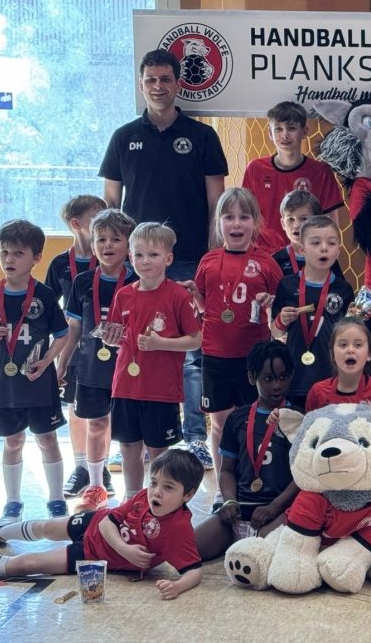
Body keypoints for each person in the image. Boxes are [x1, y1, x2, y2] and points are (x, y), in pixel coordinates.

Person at [100, 48, 229, 470]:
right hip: (137, 262)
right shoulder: (123, 137)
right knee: (132, 343)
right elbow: (111, 202)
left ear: (178, 83)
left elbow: (216, 201)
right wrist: (118, 254)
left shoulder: (202, 137)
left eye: (165, 79)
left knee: (191, 353)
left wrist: (212, 252)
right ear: (142, 85)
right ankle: (133, 436)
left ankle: (193, 437)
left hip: (188, 258)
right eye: (151, 80)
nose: (158, 86)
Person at [0, 450, 204, 600]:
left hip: (91, 556)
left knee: (27, 563)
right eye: (153, 482)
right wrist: (125, 550)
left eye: (168, 487)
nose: (156, 491)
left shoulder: (179, 529)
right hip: (94, 522)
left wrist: (177, 587)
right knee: (45, 527)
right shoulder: (143, 496)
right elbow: (106, 523)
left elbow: (194, 570)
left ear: (188, 495)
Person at [0, 220, 70, 523]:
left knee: (47, 440)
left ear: (36, 257)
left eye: (18, 253)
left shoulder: (45, 295)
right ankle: (13, 501)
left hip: (40, 384)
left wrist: (48, 360)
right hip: (6, 387)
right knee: (12, 442)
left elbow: (63, 334)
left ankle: (56, 498)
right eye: (4, 252)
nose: (9, 259)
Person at [184, 188, 283, 476]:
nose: (236, 224)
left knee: (254, 421)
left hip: (253, 357)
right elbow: (204, 307)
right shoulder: (208, 261)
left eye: (244, 217)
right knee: (220, 424)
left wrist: (272, 303)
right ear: (218, 223)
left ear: (256, 222)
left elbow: (281, 306)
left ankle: (253, 480)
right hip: (215, 355)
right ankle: (223, 483)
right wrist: (194, 295)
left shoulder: (267, 263)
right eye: (229, 217)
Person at [103, 223, 202, 499]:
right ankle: (132, 499)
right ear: (130, 257)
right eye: (139, 255)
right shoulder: (123, 294)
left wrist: (162, 343)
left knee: (159, 452)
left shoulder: (178, 296)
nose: (145, 261)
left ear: (168, 258)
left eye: (153, 255)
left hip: (161, 390)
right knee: (128, 448)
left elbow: (196, 340)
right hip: (125, 386)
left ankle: (158, 500)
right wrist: (110, 340)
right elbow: (117, 336)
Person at [58, 209, 138, 506]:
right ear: (92, 245)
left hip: (129, 370)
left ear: (129, 245)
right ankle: (95, 485)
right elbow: (74, 328)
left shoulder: (137, 280)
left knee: (129, 435)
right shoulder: (82, 281)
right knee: (96, 426)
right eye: (101, 239)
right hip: (91, 368)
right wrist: (61, 364)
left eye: (116, 239)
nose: (107, 245)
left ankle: (134, 492)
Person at [195, 341, 300, 560]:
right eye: (268, 379)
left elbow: (303, 477)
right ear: (252, 378)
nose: (277, 385)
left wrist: (274, 507)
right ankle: (234, 540)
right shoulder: (237, 418)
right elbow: (227, 471)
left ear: (291, 376)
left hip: (278, 510)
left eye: (283, 377)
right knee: (192, 549)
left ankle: (248, 546)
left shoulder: (298, 419)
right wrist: (229, 501)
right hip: (240, 508)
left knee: (259, 555)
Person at [46, 195, 106, 499]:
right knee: (75, 408)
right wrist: (54, 353)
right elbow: (48, 306)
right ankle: (81, 466)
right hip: (73, 348)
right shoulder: (60, 264)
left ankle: (101, 467)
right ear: (76, 224)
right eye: (96, 217)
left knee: (103, 411)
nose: (102, 223)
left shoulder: (110, 260)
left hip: (104, 349)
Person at [270, 216, 355, 407]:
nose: (324, 248)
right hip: (296, 377)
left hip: (333, 376)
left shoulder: (343, 289)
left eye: (331, 243)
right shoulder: (287, 285)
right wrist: (282, 320)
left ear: (338, 250)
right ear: (302, 249)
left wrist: (355, 322)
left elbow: (349, 334)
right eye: (316, 243)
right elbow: (276, 332)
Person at [242, 101, 344, 252]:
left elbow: (330, 223)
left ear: (304, 132)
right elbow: (245, 214)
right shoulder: (255, 169)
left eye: (291, 128)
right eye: (278, 129)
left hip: (307, 255)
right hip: (263, 255)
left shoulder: (321, 172)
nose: (285, 135)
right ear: (270, 133)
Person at [305, 317, 371, 412]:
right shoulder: (317, 392)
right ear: (332, 355)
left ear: (369, 354)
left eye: (358, 345)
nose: (350, 350)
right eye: (343, 345)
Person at [271, 189, 323, 277]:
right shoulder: (275, 261)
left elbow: (338, 285)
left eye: (304, 219)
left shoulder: (325, 256)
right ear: (283, 224)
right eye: (290, 219)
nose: (296, 225)